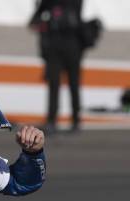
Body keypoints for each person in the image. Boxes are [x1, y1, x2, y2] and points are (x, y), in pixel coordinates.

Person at [30, 0, 84, 133]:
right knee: (56, 83)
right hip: (57, 45)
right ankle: (53, 120)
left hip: (70, 44)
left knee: (72, 83)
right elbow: (35, 20)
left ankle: (73, 120)